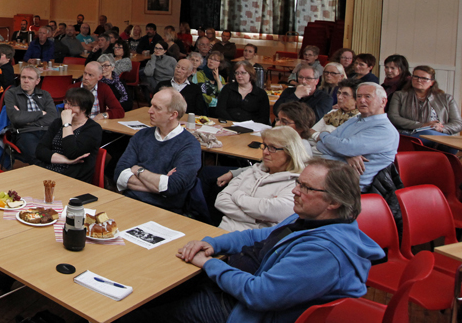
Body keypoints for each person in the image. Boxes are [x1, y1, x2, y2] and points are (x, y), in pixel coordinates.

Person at [132, 159, 382, 323]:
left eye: (306, 188)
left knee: (139, 314)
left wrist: (209, 264)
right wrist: (214, 244)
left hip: (244, 311)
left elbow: (259, 294)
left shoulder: (324, 253)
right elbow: (258, 235)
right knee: (160, 291)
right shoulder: (311, 218)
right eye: (298, 183)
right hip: (235, 284)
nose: (295, 191)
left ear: (334, 202)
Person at [114, 88, 201, 213]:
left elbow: (172, 187)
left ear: (173, 115)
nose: (150, 111)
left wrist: (138, 170)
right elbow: (119, 174)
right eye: (151, 105)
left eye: (157, 108)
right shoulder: (141, 136)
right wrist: (160, 185)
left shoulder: (190, 145)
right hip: (129, 203)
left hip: (165, 211)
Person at [212, 126, 309, 231]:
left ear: (290, 152)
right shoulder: (254, 170)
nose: (265, 152)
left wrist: (237, 195)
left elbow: (270, 210)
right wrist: (257, 219)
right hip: (223, 229)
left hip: (256, 241)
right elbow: (221, 200)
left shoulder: (297, 183)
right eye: (265, 146)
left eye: (272, 148)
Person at [316, 82, 398, 190]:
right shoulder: (356, 119)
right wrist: (347, 154)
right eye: (359, 96)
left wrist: (323, 134)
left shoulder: (385, 130)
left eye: (367, 96)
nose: (362, 100)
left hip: (349, 186)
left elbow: (344, 146)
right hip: (328, 174)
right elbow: (320, 146)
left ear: (383, 102)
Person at [388, 65, 462, 151]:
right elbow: (393, 117)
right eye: (416, 77)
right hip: (408, 134)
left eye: (424, 78)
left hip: (438, 135)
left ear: (432, 82)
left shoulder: (446, 98)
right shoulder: (399, 95)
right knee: (427, 133)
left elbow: (458, 124)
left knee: (449, 144)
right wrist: (422, 125)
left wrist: (441, 128)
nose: (419, 80)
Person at [35, 87, 102, 181]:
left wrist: (67, 124)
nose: (66, 107)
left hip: (72, 179)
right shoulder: (57, 123)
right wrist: (67, 161)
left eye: (72, 105)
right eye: (67, 102)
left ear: (83, 109)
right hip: (47, 172)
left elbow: (72, 153)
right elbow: (40, 151)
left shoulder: (93, 129)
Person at [3, 64, 57, 165]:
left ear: (37, 81)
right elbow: (16, 118)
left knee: (60, 154)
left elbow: (53, 118)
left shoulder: (45, 94)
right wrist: (41, 113)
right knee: (38, 158)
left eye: (30, 78)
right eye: (23, 77)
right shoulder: (11, 94)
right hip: (25, 133)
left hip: (47, 131)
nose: (26, 80)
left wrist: (27, 120)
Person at [215, 60, 270, 125]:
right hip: (228, 125)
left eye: (243, 73)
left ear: (251, 74)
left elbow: (264, 117)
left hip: (252, 127)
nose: (239, 76)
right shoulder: (228, 89)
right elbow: (220, 110)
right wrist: (233, 123)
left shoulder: (260, 93)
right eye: (237, 73)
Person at [194, 50, 226, 116]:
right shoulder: (200, 74)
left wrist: (217, 79)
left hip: (217, 109)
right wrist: (216, 102)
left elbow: (223, 95)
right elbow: (202, 94)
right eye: (210, 58)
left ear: (220, 63)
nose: (211, 61)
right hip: (203, 107)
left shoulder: (221, 78)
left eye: (215, 60)